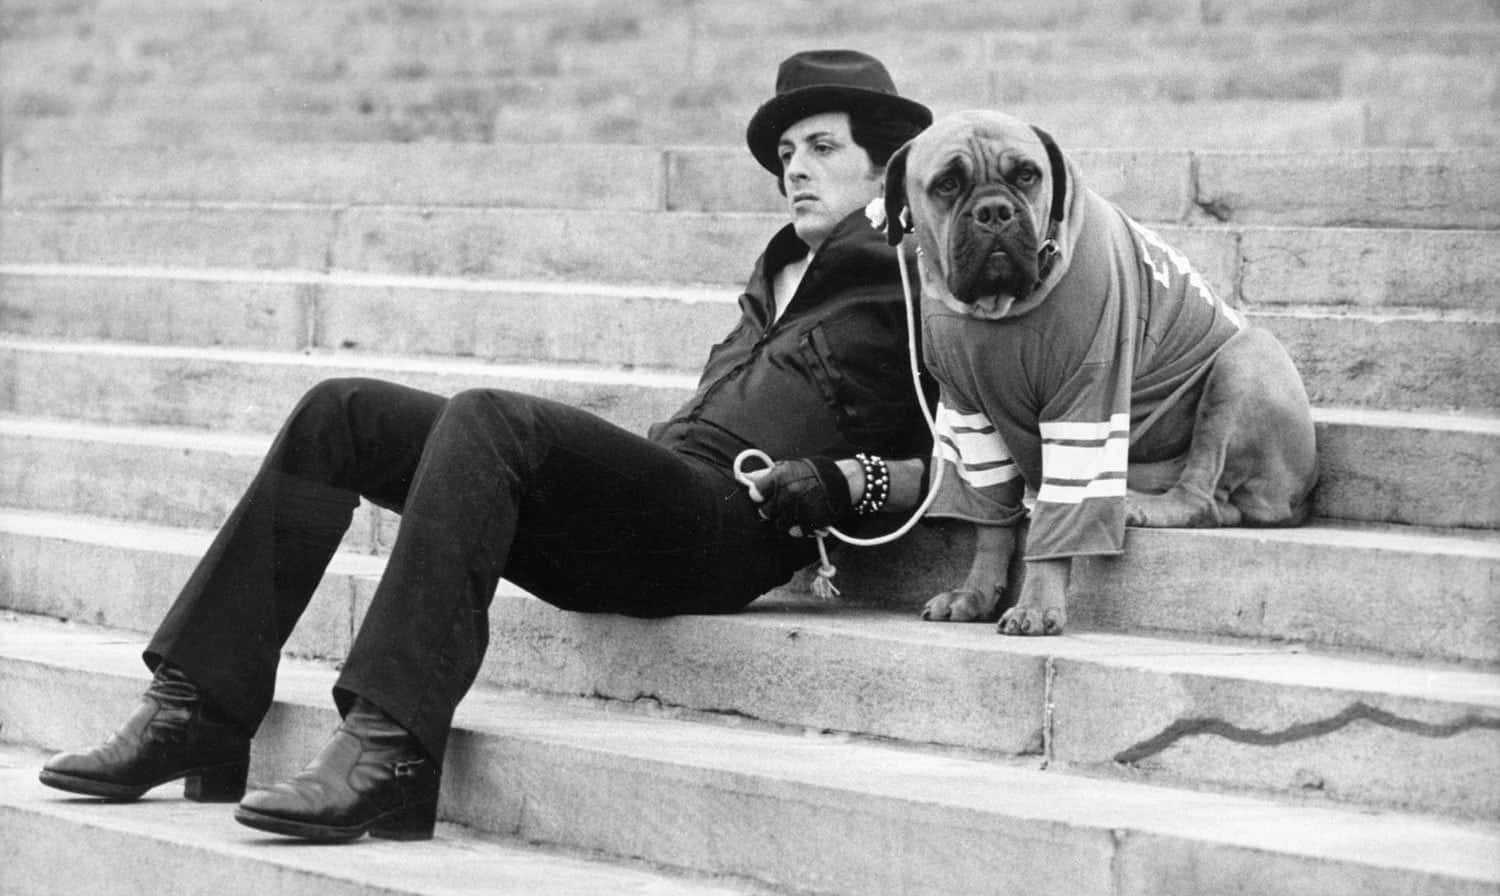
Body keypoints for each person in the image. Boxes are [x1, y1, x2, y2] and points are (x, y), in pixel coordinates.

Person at [37, 49, 936, 843]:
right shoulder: (777, 276)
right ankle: (197, 706)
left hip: (732, 526)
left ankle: (389, 744)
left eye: (823, 148)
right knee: (341, 411)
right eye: (786, 154)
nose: (794, 169)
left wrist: (846, 481)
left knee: (491, 416)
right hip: (658, 503)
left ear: (887, 166)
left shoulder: (917, 278)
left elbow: (970, 456)